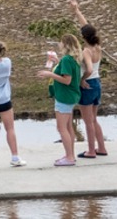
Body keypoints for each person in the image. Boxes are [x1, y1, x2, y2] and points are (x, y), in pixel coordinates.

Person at [69, 0, 108, 159]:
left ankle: (91, 150)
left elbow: (89, 68)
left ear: (83, 37)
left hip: (89, 84)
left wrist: (81, 79)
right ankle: (102, 148)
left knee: (88, 121)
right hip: (97, 84)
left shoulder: (86, 51)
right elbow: (86, 26)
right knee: (94, 119)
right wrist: (76, 10)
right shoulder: (97, 47)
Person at [37, 34, 83, 167]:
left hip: (64, 96)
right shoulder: (72, 59)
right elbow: (66, 72)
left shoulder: (67, 60)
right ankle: (71, 155)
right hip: (70, 96)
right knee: (68, 127)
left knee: (61, 128)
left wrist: (49, 74)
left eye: (61, 42)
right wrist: (57, 61)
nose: (59, 44)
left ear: (66, 44)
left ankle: (69, 157)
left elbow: (67, 80)